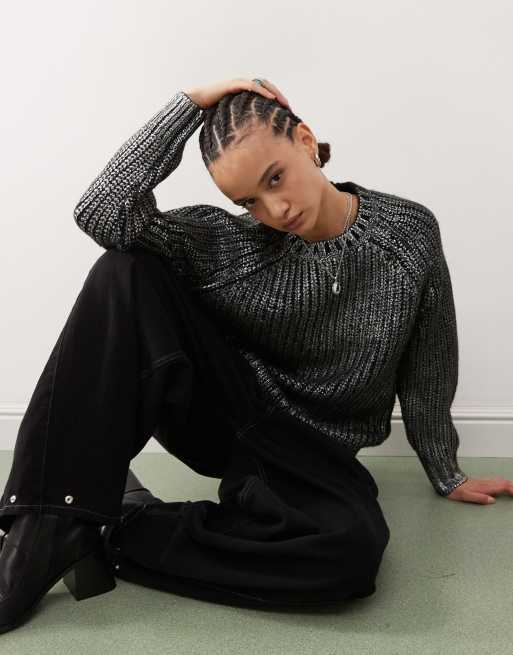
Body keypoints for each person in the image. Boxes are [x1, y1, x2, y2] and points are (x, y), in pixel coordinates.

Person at [0, 76, 466, 633]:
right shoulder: (229, 244)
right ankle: (44, 526)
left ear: (305, 140)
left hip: (316, 455)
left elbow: (429, 362)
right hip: (229, 422)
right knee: (123, 270)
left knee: (350, 553)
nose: (275, 209)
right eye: (249, 201)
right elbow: (102, 213)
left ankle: (116, 526)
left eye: (275, 178)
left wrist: (446, 470)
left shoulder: (408, 234)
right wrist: (189, 104)